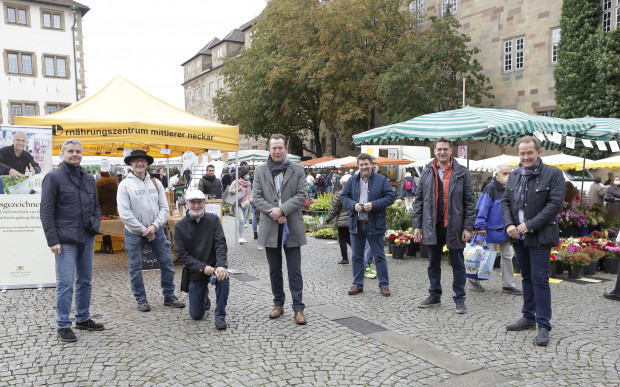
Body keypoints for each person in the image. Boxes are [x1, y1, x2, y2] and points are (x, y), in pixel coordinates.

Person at [40, 139, 104, 342]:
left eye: (78, 151)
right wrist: (53, 240)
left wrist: (94, 225)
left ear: (82, 154)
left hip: (86, 235)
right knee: (66, 282)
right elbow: (46, 211)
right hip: (64, 238)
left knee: (85, 279)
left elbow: (95, 205)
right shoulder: (53, 177)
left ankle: (83, 318)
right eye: (70, 151)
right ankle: (63, 325)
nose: (74, 154)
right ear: (63, 154)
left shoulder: (87, 178)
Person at [502, 136, 564, 347]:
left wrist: (530, 224)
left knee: (539, 279)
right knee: (526, 277)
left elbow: (554, 205)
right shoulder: (515, 174)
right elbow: (505, 202)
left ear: (539, 153)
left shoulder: (553, 174)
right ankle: (528, 317)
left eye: (530, 152)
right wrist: (509, 224)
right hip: (518, 237)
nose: (526, 157)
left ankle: (543, 324)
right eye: (522, 153)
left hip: (540, 235)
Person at [117, 150, 185, 312]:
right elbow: (125, 214)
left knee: (167, 262)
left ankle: (169, 296)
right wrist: (143, 230)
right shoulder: (124, 185)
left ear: (147, 164)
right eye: (136, 161)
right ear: (131, 164)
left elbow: (164, 208)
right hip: (134, 232)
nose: (139, 163)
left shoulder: (156, 183)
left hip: (157, 230)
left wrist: (153, 227)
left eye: (142, 161)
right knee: (135, 267)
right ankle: (141, 299)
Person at [413, 137, 475, 314]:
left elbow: (469, 202)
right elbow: (419, 201)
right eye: (439, 149)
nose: (442, 152)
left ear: (451, 150)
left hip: (455, 226)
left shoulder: (461, 172)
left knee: (458, 264)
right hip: (433, 225)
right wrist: (417, 226)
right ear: (434, 151)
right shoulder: (426, 172)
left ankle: (460, 298)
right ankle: (434, 295)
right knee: (433, 262)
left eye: (445, 149)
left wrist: (468, 227)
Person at [253, 134, 308, 325]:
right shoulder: (260, 171)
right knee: (274, 270)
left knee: (295, 270)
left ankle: (298, 308)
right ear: (269, 149)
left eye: (280, 148)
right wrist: (274, 212)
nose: (277, 151)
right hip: (270, 226)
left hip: (291, 225)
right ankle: (278, 303)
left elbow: (302, 195)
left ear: (286, 149)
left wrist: (283, 209)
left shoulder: (297, 169)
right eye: (274, 148)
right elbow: (257, 197)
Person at [341, 154, 395, 297]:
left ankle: (384, 285)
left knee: (379, 256)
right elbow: (343, 197)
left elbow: (391, 197)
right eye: (361, 165)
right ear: (358, 166)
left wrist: (375, 205)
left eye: (366, 164)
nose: (364, 167)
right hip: (356, 224)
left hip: (375, 224)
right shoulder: (353, 180)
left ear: (372, 164)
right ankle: (357, 284)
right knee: (357, 256)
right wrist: (353, 205)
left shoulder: (381, 180)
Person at [174, 190, 230, 330]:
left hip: (215, 268)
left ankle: (220, 316)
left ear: (204, 203)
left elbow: (220, 244)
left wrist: (221, 265)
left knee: (224, 278)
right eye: (193, 202)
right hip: (196, 271)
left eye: (199, 202)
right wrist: (203, 268)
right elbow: (182, 254)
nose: (196, 205)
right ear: (187, 204)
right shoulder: (180, 226)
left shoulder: (214, 220)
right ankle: (204, 297)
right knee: (196, 315)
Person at [470, 163, 522, 295]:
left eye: (509, 173)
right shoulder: (490, 188)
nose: (508, 176)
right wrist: (480, 225)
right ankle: (473, 280)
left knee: (508, 256)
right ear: (497, 175)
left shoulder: (511, 188)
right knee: (485, 256)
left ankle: (508, 285)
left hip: (506, 229)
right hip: (490, 229)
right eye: (504, 173)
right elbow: (482, 207)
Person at [325, 174, 352, 264]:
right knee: (349, 239)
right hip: (352, 219)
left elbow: (335, 209)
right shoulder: (355, 193)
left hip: (342, 221)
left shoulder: (341, 194)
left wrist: (327, 219)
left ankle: (345, 258)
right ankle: (360, 254)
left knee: (342, 240)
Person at [95, 171, 119, 254]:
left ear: (101, 175)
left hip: (103, 209)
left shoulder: (99, 185)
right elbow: (117, 198)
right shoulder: (114, 185)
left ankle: (109, 248)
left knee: (104, 229)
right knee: (108, 229)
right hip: (113, 208)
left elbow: (98, 199)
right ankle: (106, 247)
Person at [228, 167, 252, 244]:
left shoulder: (248, 183)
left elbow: (250, 193)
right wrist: (237, 189)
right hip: (238, 203)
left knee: (243, 220)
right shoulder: (236, 182)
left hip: (246, 204)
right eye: (247, 174)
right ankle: (240, 237)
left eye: (248, 174)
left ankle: (241, 237)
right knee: (241, 219)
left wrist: (250, 200)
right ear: (243, 175)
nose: (248, 175)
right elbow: (229, 191)